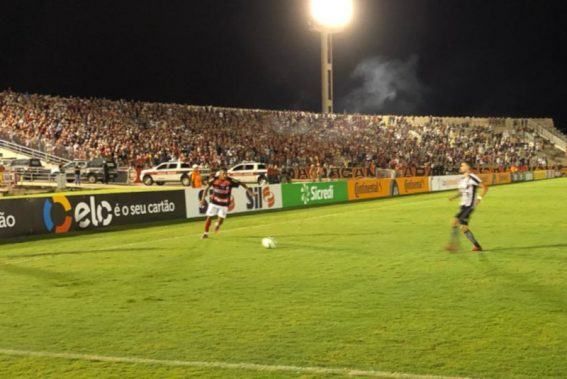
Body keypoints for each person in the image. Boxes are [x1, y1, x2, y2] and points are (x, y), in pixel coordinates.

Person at [200, 168, 253, 239]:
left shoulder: (230, 181)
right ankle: (205, 233)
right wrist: (203, 198)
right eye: (223, 174)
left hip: (224, 204)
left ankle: (217, 224)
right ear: (220, 174)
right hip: (214, 202)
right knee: (209, 217)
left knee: (221, 220)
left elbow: (241, 183)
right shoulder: (214, 180)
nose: (225, 175)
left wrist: (249, 191)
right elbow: (206, 188)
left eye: (226, 173)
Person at [447, 162, 489, 252]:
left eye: (462, 165)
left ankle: (453, 245)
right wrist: (453, 197)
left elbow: (485, 187)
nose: (460, 167)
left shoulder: (473, 177)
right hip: (463, 206)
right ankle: (476, 246)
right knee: (461, 226)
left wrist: (479, 199)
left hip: (469, 206)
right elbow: (461, 192)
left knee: (457, 223)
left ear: (468, 167)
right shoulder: (462, 179)